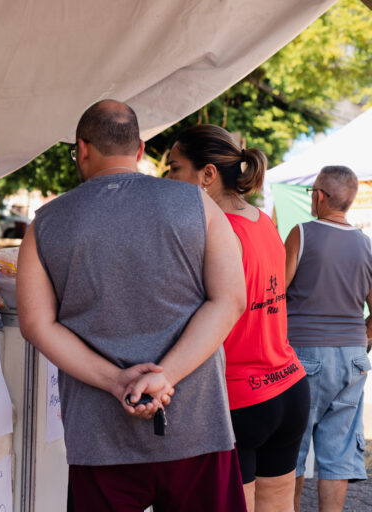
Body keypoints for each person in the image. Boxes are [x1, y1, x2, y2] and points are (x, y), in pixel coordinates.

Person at [17, 100, 248, 511]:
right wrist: (164, 378)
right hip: (194, 425)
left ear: (82, 150)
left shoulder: (45, 223)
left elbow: (37, 324)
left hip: (99, 438)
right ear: (140, 150)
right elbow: (229, 300)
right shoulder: (198, 204)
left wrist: (116, 382)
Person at [167, 124, 309, 512]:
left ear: (207, 175)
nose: (169, 179)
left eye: (175, 168)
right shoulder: (263, 221)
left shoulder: (212, 233)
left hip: (239, 399)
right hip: (288, 388)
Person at [284, 165, 372, 512]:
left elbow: (275, 293)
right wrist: (362, 338)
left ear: (320, 196)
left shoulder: (301, 234)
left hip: (304, 353)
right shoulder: (366, 244)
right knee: (337, 452)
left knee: (291, 446)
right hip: (352, 356)